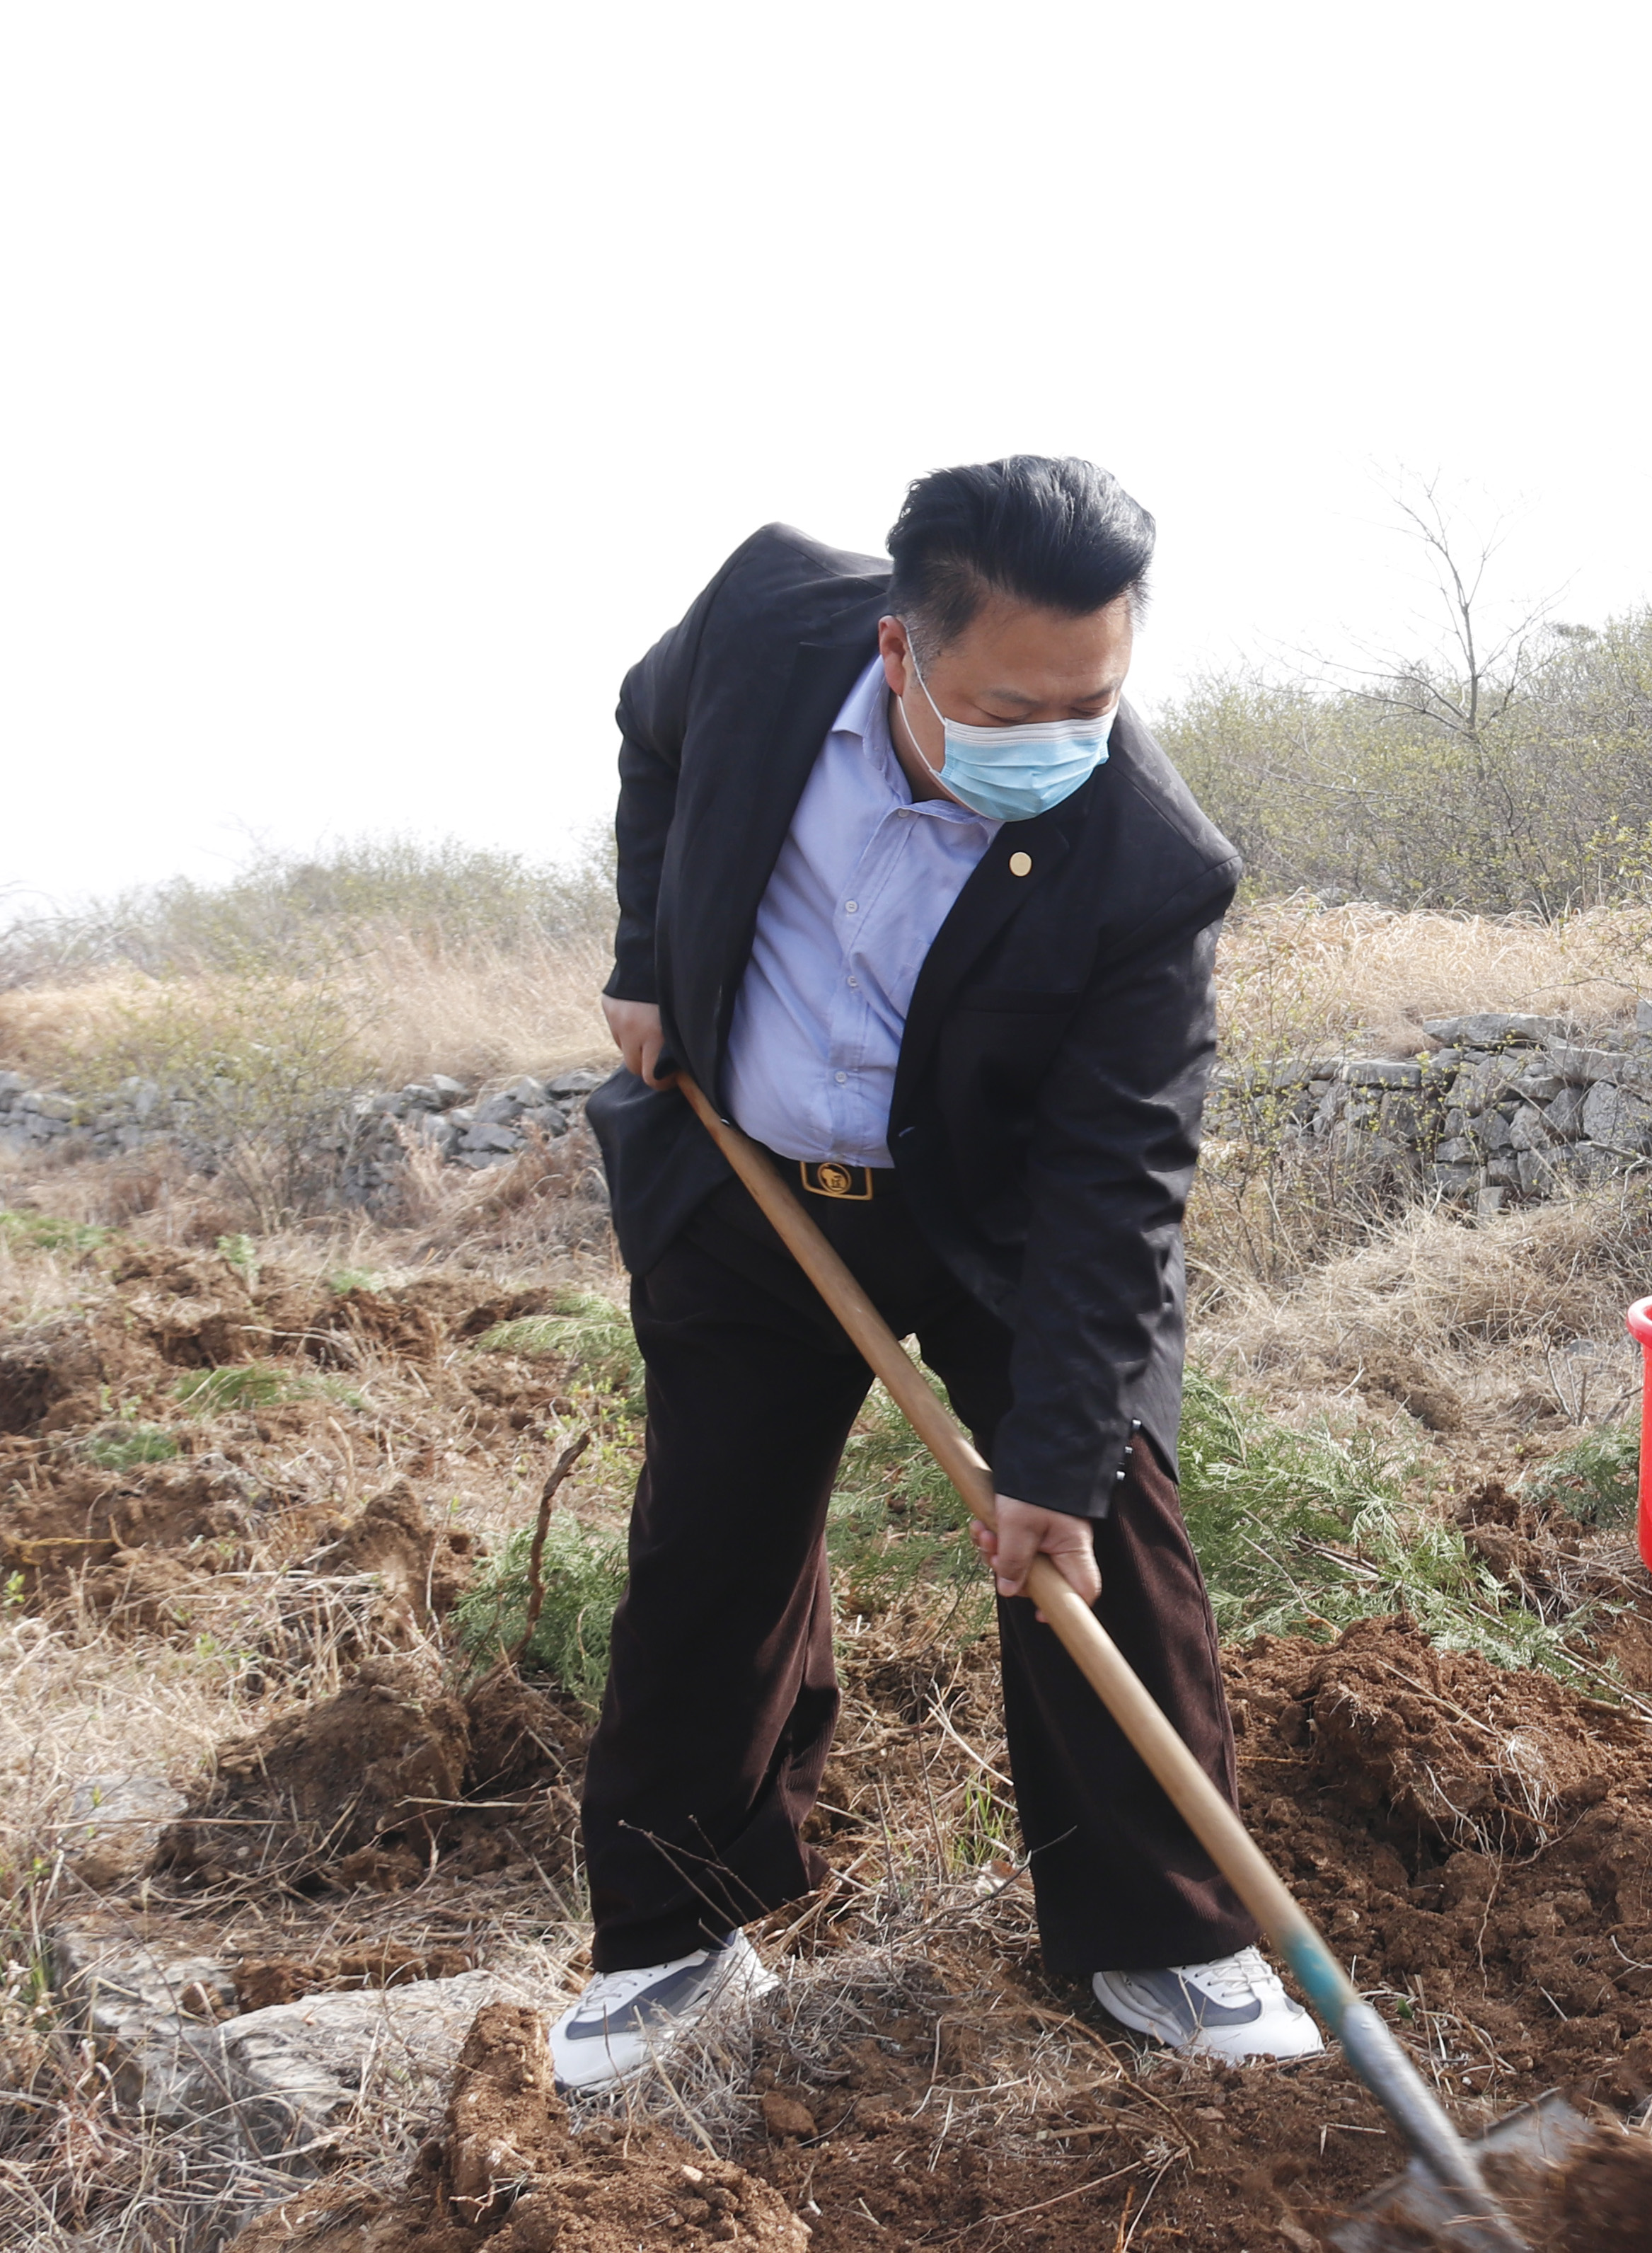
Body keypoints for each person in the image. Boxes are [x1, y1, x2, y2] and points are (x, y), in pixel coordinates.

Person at [558, 456, 1319, 2087]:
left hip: (1002, 1223)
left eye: (1095, 700)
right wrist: (643, 959)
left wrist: (1047, 1463)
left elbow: (1124, 1184)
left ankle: (1168, 1941)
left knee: (1101, 1530)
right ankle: (677, 1935)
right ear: (901, 651)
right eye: (1014, 703)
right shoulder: (768, 625)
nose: (1059, 738)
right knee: (714, 1546)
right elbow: (652, 735)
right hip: (753, 1190)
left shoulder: (1150, 862)